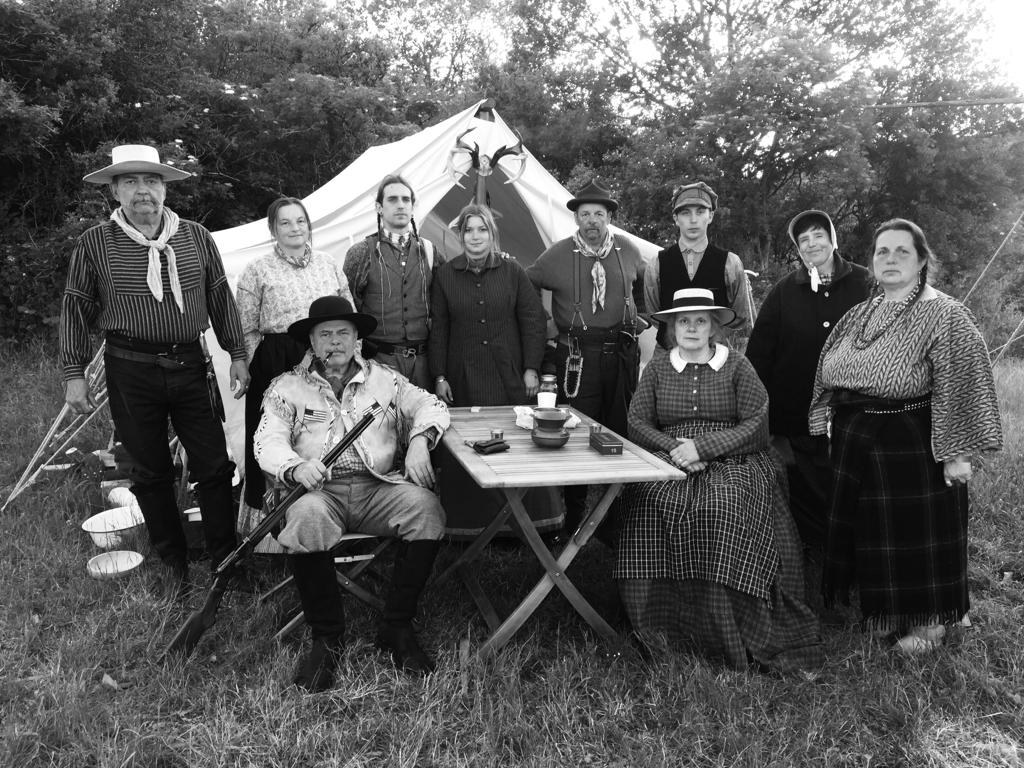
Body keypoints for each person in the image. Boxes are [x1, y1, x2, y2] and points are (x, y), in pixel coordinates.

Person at [60, 144, 249, 595]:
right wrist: (73, 373)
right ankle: (174, 563)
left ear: (165, 188)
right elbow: (76, 307)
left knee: (214, 465)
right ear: (115, 191)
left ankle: (225, 560)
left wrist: (237, 353)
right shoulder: (94, 243)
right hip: (130, 369)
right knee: (150, 471)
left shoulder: (196, 236)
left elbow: (220, 296)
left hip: (191, 364)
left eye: (151, 180)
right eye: (130, 181)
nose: (142, 190)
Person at [810, 218, 1002, 653]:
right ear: (872, 261)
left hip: (912, 440)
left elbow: (964, 381)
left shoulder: (945, 313)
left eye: (902, 251)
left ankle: (930, 625)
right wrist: (824, 416)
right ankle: (888, 612)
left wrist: (957, 453)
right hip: (860, 439)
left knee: (917, 534)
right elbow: (827, 370)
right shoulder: (861, 312)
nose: (890, 258)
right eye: (882, 251)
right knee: (875, 532)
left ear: (921, 260)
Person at [615, 288, 823, 671]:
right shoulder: (658, 368)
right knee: (648, 501)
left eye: (700, 321)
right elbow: (637, 422)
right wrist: (676, 449)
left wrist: (705, 448)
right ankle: (661, 625)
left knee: (721, 505)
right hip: (671, 455)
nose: (692, 328)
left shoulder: (737, 366)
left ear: (713, 327)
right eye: (683, 321)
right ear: (672, 328)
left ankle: (731, 625)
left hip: (735, 457)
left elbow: (757, 424)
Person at [254, 295, 449, 690]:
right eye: (325, 334)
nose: (335, 342)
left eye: (343, 333)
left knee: (426, 509)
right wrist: (296, 466)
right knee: (306, 517)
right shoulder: (285, 387)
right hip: (318, 493)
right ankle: (327, 639)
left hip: (378, 487)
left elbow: (430, 404)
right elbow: (267, 440)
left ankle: (396, 628)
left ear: (357, 338)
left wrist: (419, 440)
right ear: (312, 342)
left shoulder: (385, 379)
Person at [745, 210, 873, 549]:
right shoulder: (785, 291)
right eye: (804, 240)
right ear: (798, 249)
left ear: (832, 239)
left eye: (818, 235)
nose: (812, 243)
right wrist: (757, 410)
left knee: (848, 478)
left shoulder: (865, 283)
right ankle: (816, 549)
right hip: (796, 410)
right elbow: (760, 353)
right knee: (806, 481)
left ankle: (852, 546)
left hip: (853, 409)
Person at [526, 180, 646, 533]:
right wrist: (545, 321)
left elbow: (643, 281)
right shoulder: (557, 254)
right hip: (577, 357)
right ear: (576, 219)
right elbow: (527, 281)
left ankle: (617, 521)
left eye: (598, 214)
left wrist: (639, 314)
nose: (592, 220)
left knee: (620, 432)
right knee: (576, 431)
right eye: (585, 214)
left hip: (621, 353)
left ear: (609, 217)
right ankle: (573, 519)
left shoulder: (628, 250)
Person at [428, 203, 553, 538]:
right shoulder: (445, 275)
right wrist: (439, 376)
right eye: (468, 230)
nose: (475, 236)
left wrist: (531, 368)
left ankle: (523, 524)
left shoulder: (513, 272)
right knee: (469, 445)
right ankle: (470, 526)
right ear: (460, 235)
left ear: (492, 234)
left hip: (507, 373)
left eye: (482, 229)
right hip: (463, 374)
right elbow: (439, 328)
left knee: (515, 441)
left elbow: (533, 321)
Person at [235, 197, 354, 511]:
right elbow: (246, 327)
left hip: (325, 357)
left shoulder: (328, 264)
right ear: (273, 229)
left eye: (300, 221)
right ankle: (270, 512)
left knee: (322, 427)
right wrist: (248, 366)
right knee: (273, 430)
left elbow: (349, 315)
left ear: (309, 225)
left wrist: (353, 358)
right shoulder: (257, 269)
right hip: (277, 358)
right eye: (285, 222)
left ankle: (329, 502)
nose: (294, 228)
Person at [343, 175, 442, 390]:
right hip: (378, 364)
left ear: (413, 207)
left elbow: (449, 298)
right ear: (379, 207)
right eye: (392, 199)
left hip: (423, 365)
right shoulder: (361, 252)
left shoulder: (429, 251)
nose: (400, 205)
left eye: (406, 200)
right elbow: (349, 311)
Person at [644, 182, 754, 349]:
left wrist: (707, 342)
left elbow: (739, 316)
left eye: (700, 212)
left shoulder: (730, 263)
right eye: (685, 213)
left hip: (715, 353)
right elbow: (655, 315)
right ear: (676, 219)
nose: (693, 220)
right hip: (668, 353)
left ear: (710, 216)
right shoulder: (656, 264)